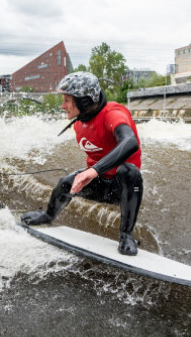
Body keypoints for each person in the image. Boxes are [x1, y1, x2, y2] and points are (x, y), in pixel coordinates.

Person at [21, 71, 144, 256]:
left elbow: (130, 142)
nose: (63, 106)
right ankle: (48, 215)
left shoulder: (112, 114)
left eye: (67, 101)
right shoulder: (80, 122)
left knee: (129, 172)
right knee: (66, 183)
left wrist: (93, 171)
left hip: (122, 188)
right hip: (100, 185)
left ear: (84, 101)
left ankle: (126, 235)